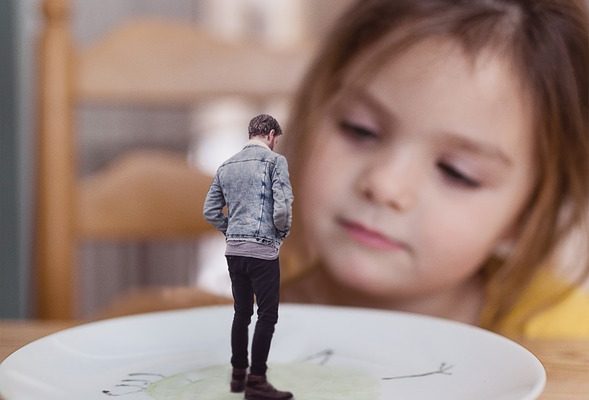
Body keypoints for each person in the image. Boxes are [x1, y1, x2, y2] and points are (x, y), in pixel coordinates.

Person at [278, 0, 589, 339]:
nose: (385, 185)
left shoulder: (570, 344)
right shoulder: (246, 308)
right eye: (360, 129)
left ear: (527, 214)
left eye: (457, 172)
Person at [203, 114, 294, 400]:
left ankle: (237, 376)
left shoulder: (226, 165)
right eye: (275, 139)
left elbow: (210, 210)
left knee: (241, 313)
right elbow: (281, 209)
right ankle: (257, 382)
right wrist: (281, 233)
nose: (275, 144)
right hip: (263, 251)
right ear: (269, 135)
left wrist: (232, 232)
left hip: (234, 252)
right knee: (267, 315)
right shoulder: (275, 162)